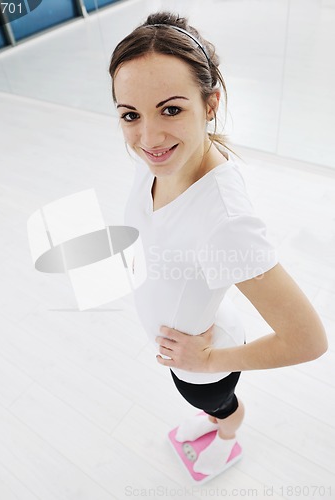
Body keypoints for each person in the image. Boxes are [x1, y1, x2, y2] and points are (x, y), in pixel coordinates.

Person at [108, 11, 328, 477]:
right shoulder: (161, 157)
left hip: (206, 364)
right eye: (131, 115)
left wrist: (207, 359)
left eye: (171, 109)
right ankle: (211, 418)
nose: (148, 138)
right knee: (204, 402)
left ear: (211, 103)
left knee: (223, 405)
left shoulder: (224, 220)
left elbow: (308, 340)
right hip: (186, 350)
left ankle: (226, 436)